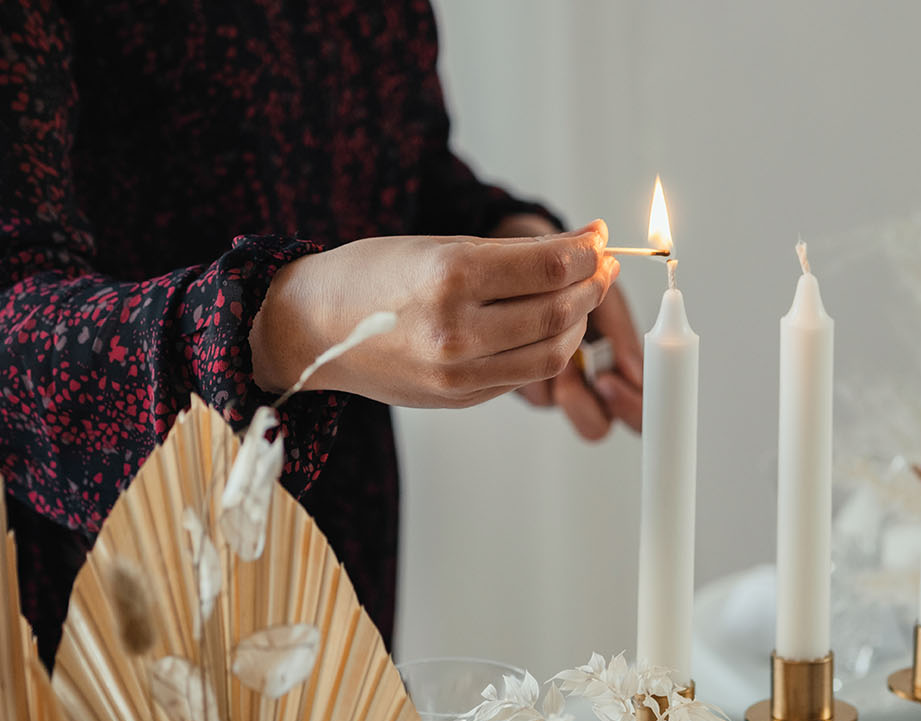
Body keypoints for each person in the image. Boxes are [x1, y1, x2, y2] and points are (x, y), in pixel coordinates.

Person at [0, 0, 644, 663]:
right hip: (101, 625)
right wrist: (290, 325)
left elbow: (397, 165)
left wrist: (509, 253)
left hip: (340, 588)